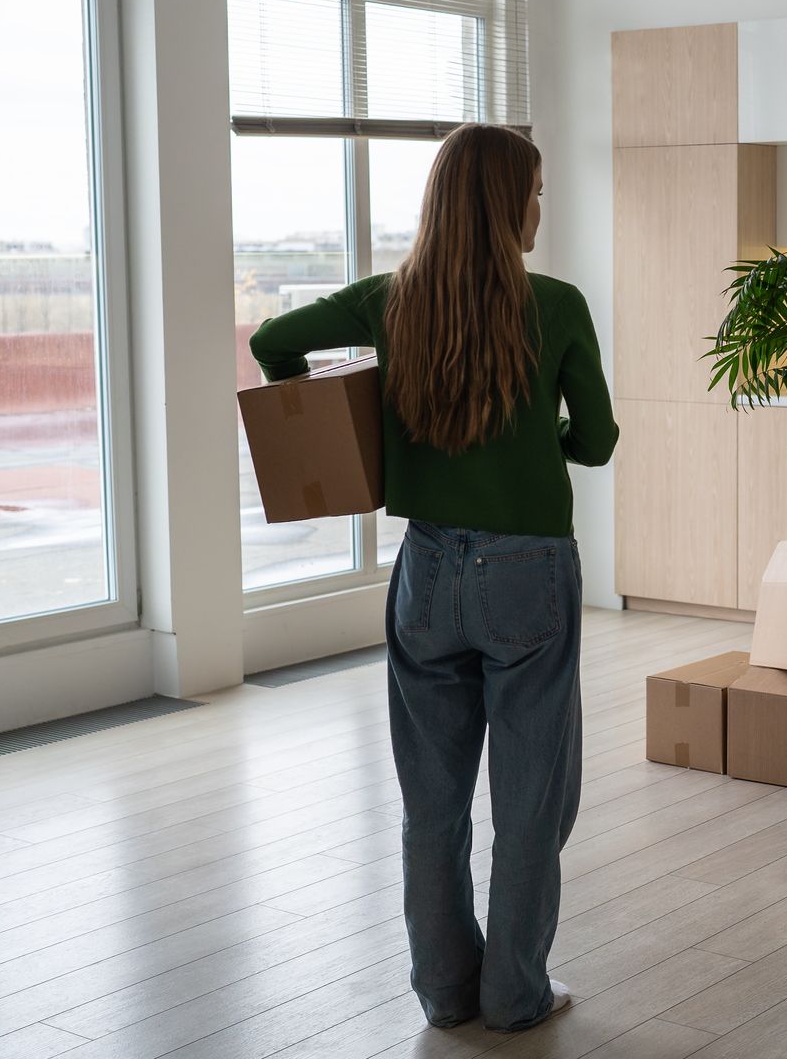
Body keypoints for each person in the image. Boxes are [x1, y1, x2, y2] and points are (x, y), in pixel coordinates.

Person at [249, 124, 617, 1032]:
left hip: (425, 570)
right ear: (505, 204)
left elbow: (273, 343)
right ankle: (514, 994)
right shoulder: (558, 303)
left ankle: (446, 994)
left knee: (432, 802)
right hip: (527, 569)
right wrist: (545, 442)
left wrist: (361, 428)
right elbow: (599, 441)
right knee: (530, 801)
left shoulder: (388, 300)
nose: (540, 208)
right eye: (534, 192)